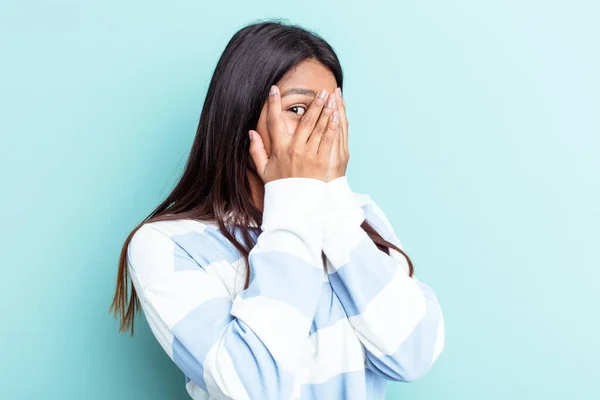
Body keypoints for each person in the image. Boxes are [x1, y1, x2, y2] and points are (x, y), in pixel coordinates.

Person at [110, 19, 444, 400]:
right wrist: (294, 197)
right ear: (242, 118)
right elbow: (254, 388)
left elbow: (413, 356)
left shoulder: (357, 216)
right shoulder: (168, 245)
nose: (318, 129)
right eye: (298, 108)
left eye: (329, 111)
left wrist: (331, 202)